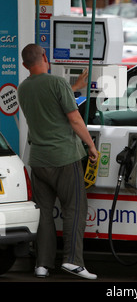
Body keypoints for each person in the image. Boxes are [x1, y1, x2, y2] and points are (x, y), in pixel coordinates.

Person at [17, 44, 99, 280]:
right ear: (44, 56)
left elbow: (47, 102)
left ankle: (42, 265)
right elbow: (74, 119)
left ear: (24, 65)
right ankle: (73, 261)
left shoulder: (24, 88)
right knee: (74, 208)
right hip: (64, 158)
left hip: (39, 161)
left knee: (44, 213)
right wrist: (91, 147)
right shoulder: (57, 83)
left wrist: (74, 88)